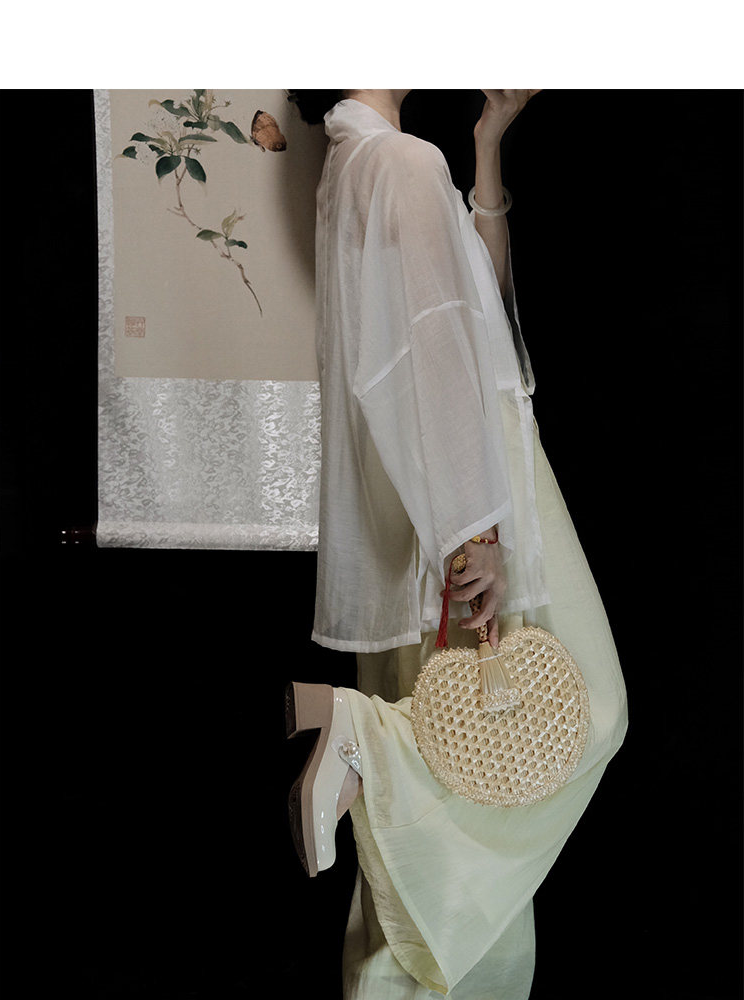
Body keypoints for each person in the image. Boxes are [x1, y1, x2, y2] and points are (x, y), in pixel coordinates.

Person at [286, 89, 628, 999]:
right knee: (580, 718)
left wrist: (486, 146)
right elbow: (431, 354)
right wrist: (475, 529)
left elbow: (477, 312)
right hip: (469, 491)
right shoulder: (400, 162)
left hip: (428, 505)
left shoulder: (361, 160)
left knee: (470, 778)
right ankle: (367, 742)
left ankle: (376, 762)